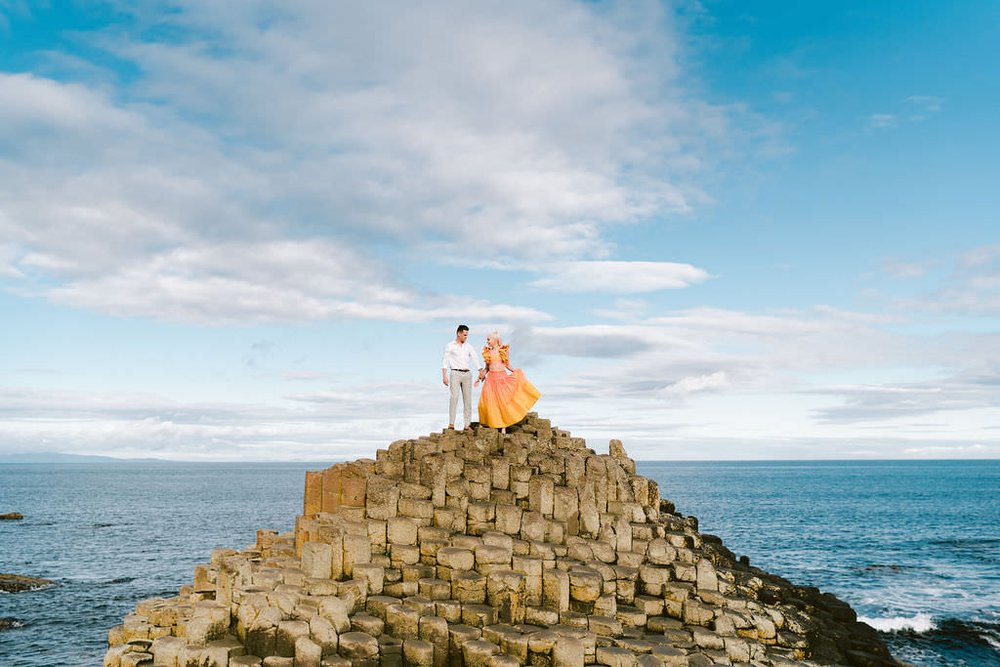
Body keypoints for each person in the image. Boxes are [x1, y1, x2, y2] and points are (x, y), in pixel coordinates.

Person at [477, 331, 540, 433]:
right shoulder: (487, 352)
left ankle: (503, 426)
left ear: (495, 340)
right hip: (490, 379)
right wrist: (481, 376)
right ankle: (487, 423)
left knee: (503, 403)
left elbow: (507, 365)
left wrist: (516, 372)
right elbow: (487, 368)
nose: (487, 341)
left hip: (501, 378)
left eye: (489, 339)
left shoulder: (503, 351)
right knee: (487, 401)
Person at [441, 324, 483, 431]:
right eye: (464, 335)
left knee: (467, 400)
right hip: (455, 373)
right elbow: (445, 360)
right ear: (459, 334)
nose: (466, 337)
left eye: (467, 335)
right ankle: (451, 424)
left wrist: (480, 370)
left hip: (467, 374)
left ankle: (467, 425)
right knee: (454, 398)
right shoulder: (450, 345)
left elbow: (474, 357)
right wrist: (444, 376)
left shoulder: (468, 346)